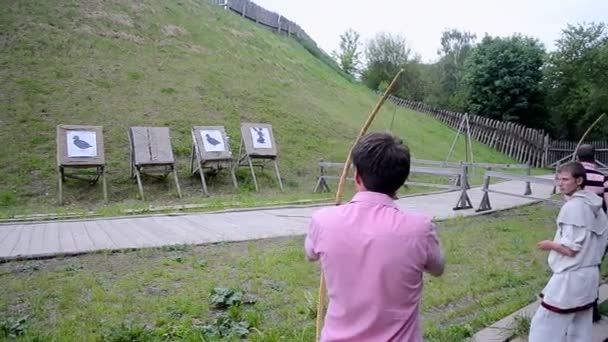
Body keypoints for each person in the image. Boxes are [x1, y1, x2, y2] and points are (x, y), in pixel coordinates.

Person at [305, 132, 445, 342]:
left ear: (357, 176)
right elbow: (438, 268)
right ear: (401, 180)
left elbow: (310, 253)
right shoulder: (420, 229)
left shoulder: (323, 221)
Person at [528, 161, 608, 342]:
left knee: (544, 326)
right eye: (559, 179)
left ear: (579, 180)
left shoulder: (574, 207)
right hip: (589, 276)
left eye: (565, 179)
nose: (561, 183)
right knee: (580, 326)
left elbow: (570, 249)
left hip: (571, 277)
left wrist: (550, 244)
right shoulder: (596, 205)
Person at [576, 144, 608, 322]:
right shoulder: (603, 179)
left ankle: (576, 307)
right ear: (594, 157)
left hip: (576, 231)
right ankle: (592, 308)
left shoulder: (574, 178)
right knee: (593, 268)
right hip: (597, 233)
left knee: (576, 268)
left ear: (579, 158)